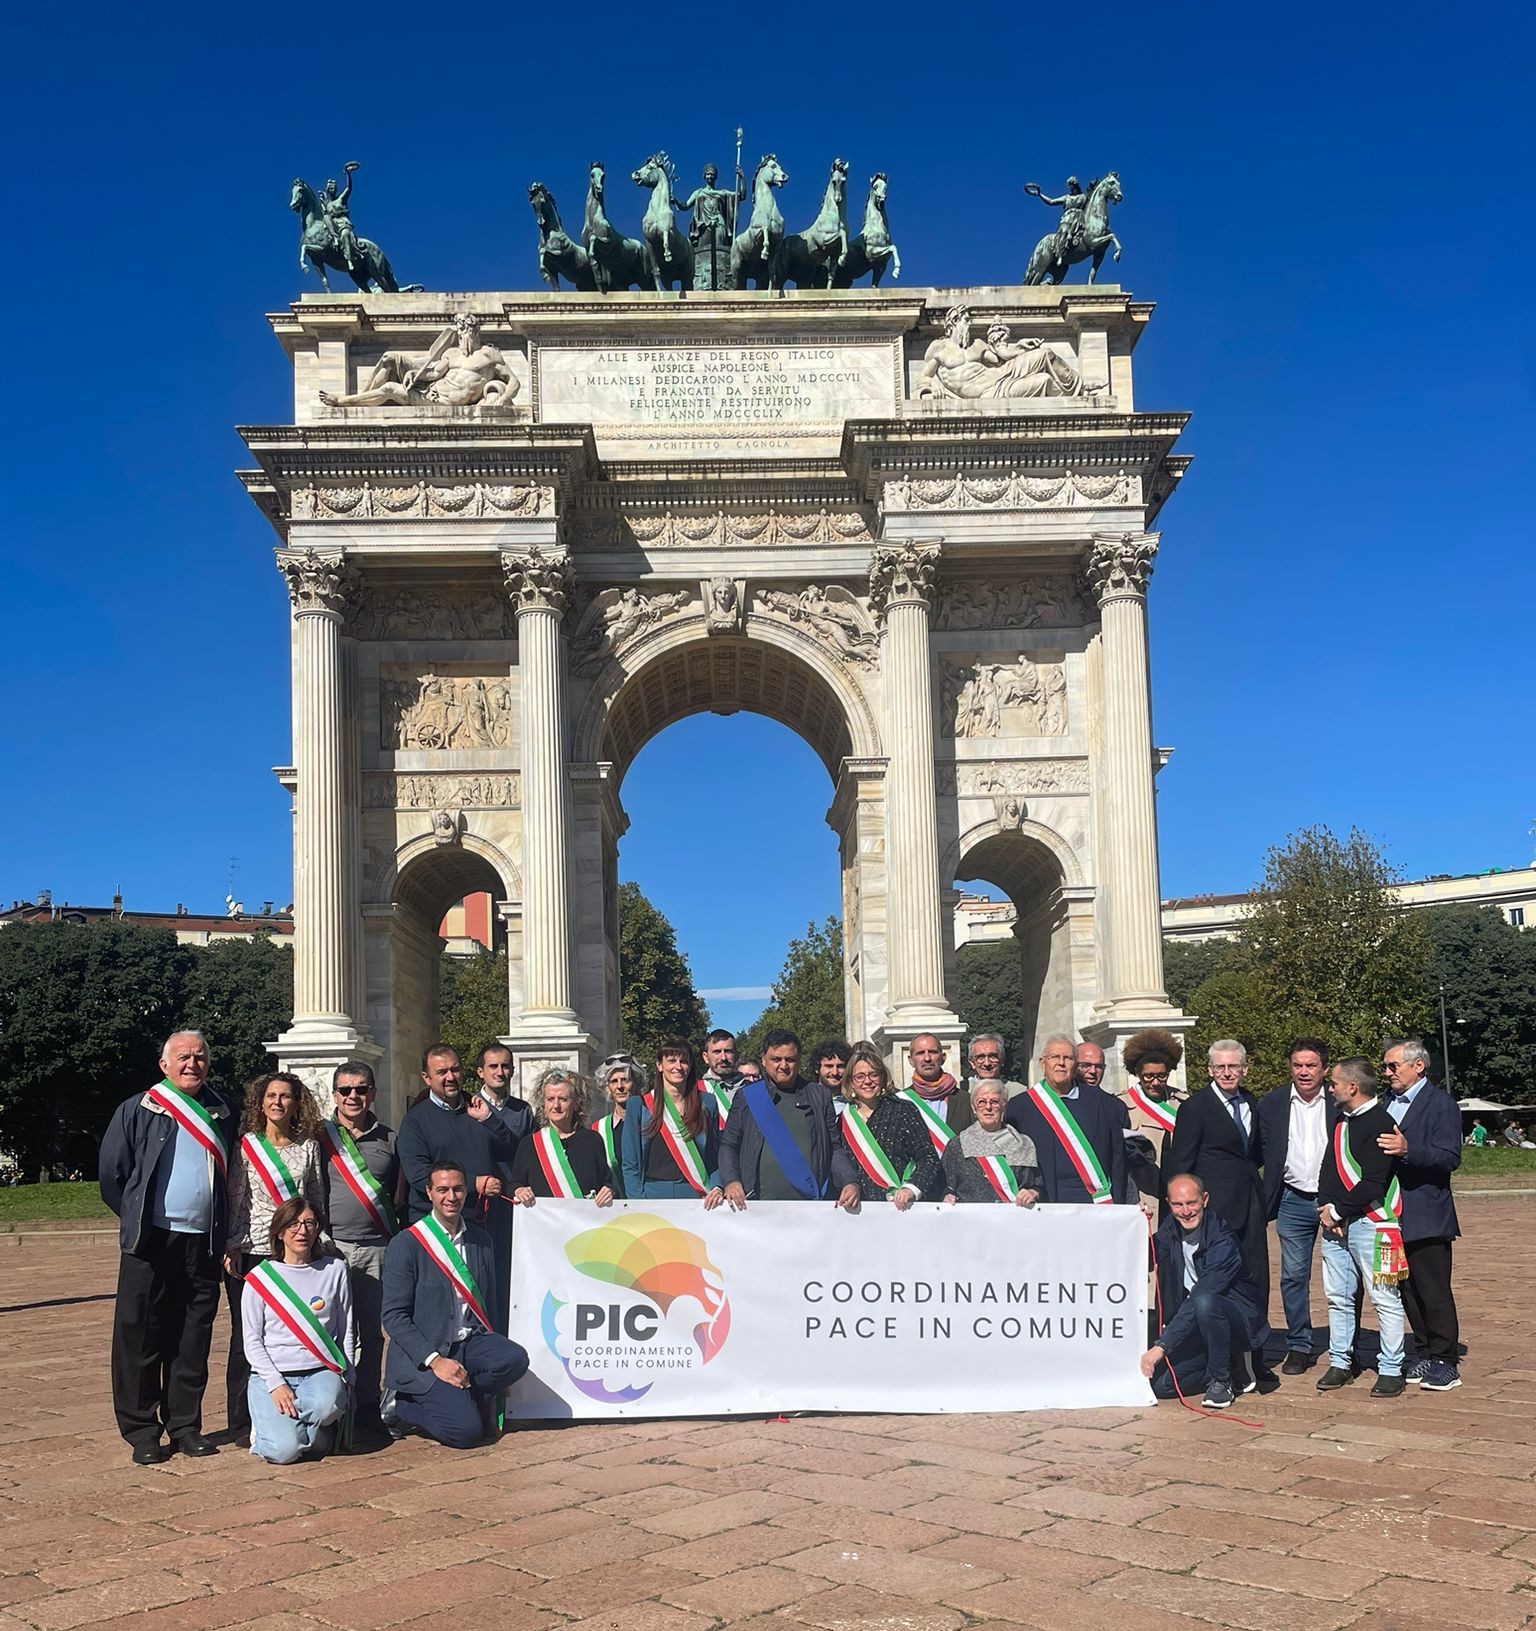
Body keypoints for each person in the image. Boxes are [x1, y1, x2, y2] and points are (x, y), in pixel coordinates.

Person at [99, 1030, 237, 1464]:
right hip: (152, 1241)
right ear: (164, 1065)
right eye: (182, 1057)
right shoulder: (138, 1109)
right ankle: (142, 1431)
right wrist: (138, 1219)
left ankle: (185, 1425)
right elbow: (112, 1175)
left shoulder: (222, 1111)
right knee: (141, 1335)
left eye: (199, 1057)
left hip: (204, 1242)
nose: (191, 1064)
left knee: (192, 1336)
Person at [381, 1163, 530, 1447]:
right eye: (442, 1190)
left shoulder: (481, 1240)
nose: (451, 1197)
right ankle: (403, 1404)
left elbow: (490, 1305)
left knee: (515, 1360)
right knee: (467, 1433)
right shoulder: (406, 1244)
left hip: (470, 1342)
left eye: (458, 1189)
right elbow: (393, 1316)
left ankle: (464, 1395)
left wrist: (497, 1371)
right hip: (428, 1352)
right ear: (429, 1193)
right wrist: (435, 1361)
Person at [223, 1073, 327, 1440]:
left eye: (286, 1096)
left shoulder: (310, 1147)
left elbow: (315, 1196)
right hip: (254, 1251)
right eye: (271, 1096)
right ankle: (241, 1421)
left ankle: (296, 1409)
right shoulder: (246, 1146)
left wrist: (319, 1237)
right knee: (246, 1336)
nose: (278, 1102)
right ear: (260, 1102)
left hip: (295, 1253)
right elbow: (237, 1199)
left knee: (295, 1332)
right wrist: (232, 1245)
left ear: (296, 1103)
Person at [1316, 1058, 1407, 1397]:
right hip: (1337, 1222)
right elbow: (1329, 1168)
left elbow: (1374, 1183)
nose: (1330, 1088)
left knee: (1384, 1297)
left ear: (1352, 1087)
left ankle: (1391, 1367)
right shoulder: (1341, 1120)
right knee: (1338, 1297)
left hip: (1375, 1223)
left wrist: (1338, 1211)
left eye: (1335, 1082)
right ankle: (1340, 1362)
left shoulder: (1382, 1122)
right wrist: (1325, 1209)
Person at [242, 1196, 356, 1464]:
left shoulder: (335, 1270)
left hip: (319, 1371)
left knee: (329, 1405)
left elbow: (347, 1326)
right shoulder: (260, 1279)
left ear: (318, 1229)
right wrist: (276, 1384)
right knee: (284, 1453)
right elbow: (252, 1340)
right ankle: (278, 1432)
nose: (301, 1231)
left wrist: (349, 1376)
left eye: (309, 1223)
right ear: (280, 1231)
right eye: (293, 1224)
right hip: (274, 1374)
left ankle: (292, 1428)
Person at [1142, 1174, 1270, 1410]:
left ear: (1205, 1200)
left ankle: (1221, 1381)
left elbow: (1201, 1296)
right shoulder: (1172, 1227)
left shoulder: (1223, 1240)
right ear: (1169, 1204)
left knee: (1204, 1301)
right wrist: (1138, 1224)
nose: (1186, 1211)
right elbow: (1145, 1257)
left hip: (1235, 1318)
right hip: (1199, 1324)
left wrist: (1162, 1346)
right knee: (1162, 1386)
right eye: (1178, 1205)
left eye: (1192, 1203)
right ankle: (1227, 1364)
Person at [320, 1060, 399, 1440]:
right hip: (330, 1247)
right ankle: (333, 1406)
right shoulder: (319, 1136)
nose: (354, 1096)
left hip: (376, 1247)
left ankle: (367, 1406)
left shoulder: (390, 1138)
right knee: (330, 1330)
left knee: (371, 1331)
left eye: (361, 1089)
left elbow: (399, 1192)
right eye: (345, 1090)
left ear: (373, 1092)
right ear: (334, 1095)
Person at [1379, 1039, 1462, 1389]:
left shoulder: (1441, 1104)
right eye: (1384, 1066)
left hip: (1427, 1211)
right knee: (1406, 1288)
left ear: (1418, 1066)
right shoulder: (1385, 1103)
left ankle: (1446, 1359)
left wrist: (1409, 1149)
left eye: (1392, 1066)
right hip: (1391, 1213)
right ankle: (1425, 1351)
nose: (1387, 1073)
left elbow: (1450, 1157)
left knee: (1433, 1288)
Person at [1255, 1038, 1334, 1374]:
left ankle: (1345, 1345)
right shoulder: (1271, 1103)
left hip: (1335, 1200)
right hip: (1292, 1199)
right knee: (1293, 1276)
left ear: (1324, 1069)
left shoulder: (1340, 1099)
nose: (1303, 1072)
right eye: (1298, 1065)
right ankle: (1300, 1344)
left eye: (1311, 1065)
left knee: (1344, 1277)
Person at [1168, 1041, 1268, 1301]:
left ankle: (1253, 1333)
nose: (1227, 1072)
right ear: (1210, 1070)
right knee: (1219, 1272)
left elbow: (1253, 1153)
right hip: (1215, 1205)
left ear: (1244, 1069)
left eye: (1233, 1066)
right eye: (1220, 1067)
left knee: (1254, 1271)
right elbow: (1182, 1161)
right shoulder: (1195, 1107)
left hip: (1251, 1203)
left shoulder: (1250, 1102)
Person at [719, 1029, 860, 1208]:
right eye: (776, 1059)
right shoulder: (747, 1096)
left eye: (790, 1060)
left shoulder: (820, 1096)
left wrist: (849, 1181)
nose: (783, 1066)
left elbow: (834, 1148)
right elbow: (729, 1145)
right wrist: (731, 1180)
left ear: (799, 1060)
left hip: (810, 1205)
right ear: (763, 1060)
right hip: (758, 1206)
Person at [395, 1044, 515, 1226]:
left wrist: (490, 1120)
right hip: (437, 1226)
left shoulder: (479, 1109)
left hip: (483, 1223)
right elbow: (419, 1175)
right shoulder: (414, 1121)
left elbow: (510, 1152)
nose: (450, 1077)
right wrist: (474, 1183)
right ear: (426, 1078)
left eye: (455, 1070)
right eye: (442, 1072)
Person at [1005, 1034, 1129, 1205]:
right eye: (1055, 1057)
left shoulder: (1103, 1104)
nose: (1061, 1063)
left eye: (1068, 1058)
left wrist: (1121, 1205)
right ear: (1043, 1063)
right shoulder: (1020, 1107)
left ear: (1075, 1065)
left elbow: (1117, 1158)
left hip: (1094, 1202)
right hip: (1043, 1202)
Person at [838, 1045, 944, 1210]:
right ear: (851, 1082)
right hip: (859, 1211)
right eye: (859, 1076)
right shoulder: (843, 1120)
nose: (867, 1081)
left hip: (900, 1207)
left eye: (874, 1074)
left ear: (882, 1078)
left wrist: (911, 1189)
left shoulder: (903, 1109)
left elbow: (928, 1158)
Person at [620, 1039, 724, 1205]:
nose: (678, 1066)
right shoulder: (638, 1106)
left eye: (683, 1061)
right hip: (652, 1195)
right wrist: (637, 1202)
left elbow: (714, 1155)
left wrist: (717, 1187)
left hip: (697, 1196)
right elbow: (630, 1163)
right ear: (659, 1065)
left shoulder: (707, 1103)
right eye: (671, 1061)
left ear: (690, 1066)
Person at [509, 1074, 616, 1204]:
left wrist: (609, 1190)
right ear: (543, 1104)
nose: (556, 1106)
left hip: (584, 1221)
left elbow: (606, 1182)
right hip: (544, 1221)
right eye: (550, 1099)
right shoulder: (530, 1144)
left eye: (563, 1099)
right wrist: (518, 1190)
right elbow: (514, 1183)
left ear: (576, 1104)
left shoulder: (593, 1141)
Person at [1119, 1029, 1186, 1216]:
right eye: (1148, 1076)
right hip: (1145, 1195)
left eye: (1161, 1076)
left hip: (1179, 1194)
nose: (1155, 1082)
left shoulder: (1183, 1103)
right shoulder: (1122, 1105)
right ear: (1137, 1073)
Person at [941, 1080, 1042, 1205]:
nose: (988, 1107)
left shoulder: (1023, 1144)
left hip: (1014, 1219)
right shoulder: (958, 1145)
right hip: (971, 1221)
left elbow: (1037, 1186)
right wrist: (948, 1195)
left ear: (1004, 1106)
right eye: (981, 1102)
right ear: (973, 1107)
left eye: (994, 1102)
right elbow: (946, 1185)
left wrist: (1032, 1193)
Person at [901, 1033, 974, 1152]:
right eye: (920, 1053)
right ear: (911, 1060)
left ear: (943, 1057)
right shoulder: (901, 1102)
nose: (927, 1058)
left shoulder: (966, 1100)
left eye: (933, 1052)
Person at [594, 1055, 644, 1195]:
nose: (620, 1086)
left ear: (636, 1083)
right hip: (615, 1206)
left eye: (625, 1080)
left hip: (648, 1202)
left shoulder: (650, 1121)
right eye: (614, 1081)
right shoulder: (599, 1129)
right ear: (608, 1087)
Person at [472, 1045, 534, 1147]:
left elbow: (530, 1151)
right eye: (493, 1066)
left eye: (505, 1066)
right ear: (480, 1072)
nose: (500, 1072)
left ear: (512, 1071)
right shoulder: (470, 1107)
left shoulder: (523, 1110)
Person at [700, 1030, 744, 1129]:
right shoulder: (694, 1090)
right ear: (706, 1057)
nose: (723, 1057)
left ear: (737, 1055)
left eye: (728, 1051)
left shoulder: (751, 1090)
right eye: (717, 1052)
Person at [967, 1034, 1027, 1100]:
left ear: (1002, 1060)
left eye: (993, 1057)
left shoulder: (1019, 1092)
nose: (987, 1063)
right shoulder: (963, 1092)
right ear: (972, 1063)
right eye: (980, 1058)